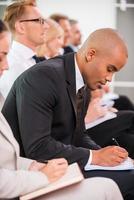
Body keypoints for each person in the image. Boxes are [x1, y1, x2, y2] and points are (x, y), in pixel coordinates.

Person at [2, 21, 134, 199]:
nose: (109, 78)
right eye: (109, 69)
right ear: (91, 54)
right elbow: (37, 147)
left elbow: (78, 135)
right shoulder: (43, 77)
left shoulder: (81, 82)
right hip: (33, 173)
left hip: (62, 165)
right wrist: (95, 157)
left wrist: (106, 156)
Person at [0, 0, 49, 98]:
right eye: (40, 21)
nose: (47, 26)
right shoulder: (11, 65)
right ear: (21, 27)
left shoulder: (38, 60)